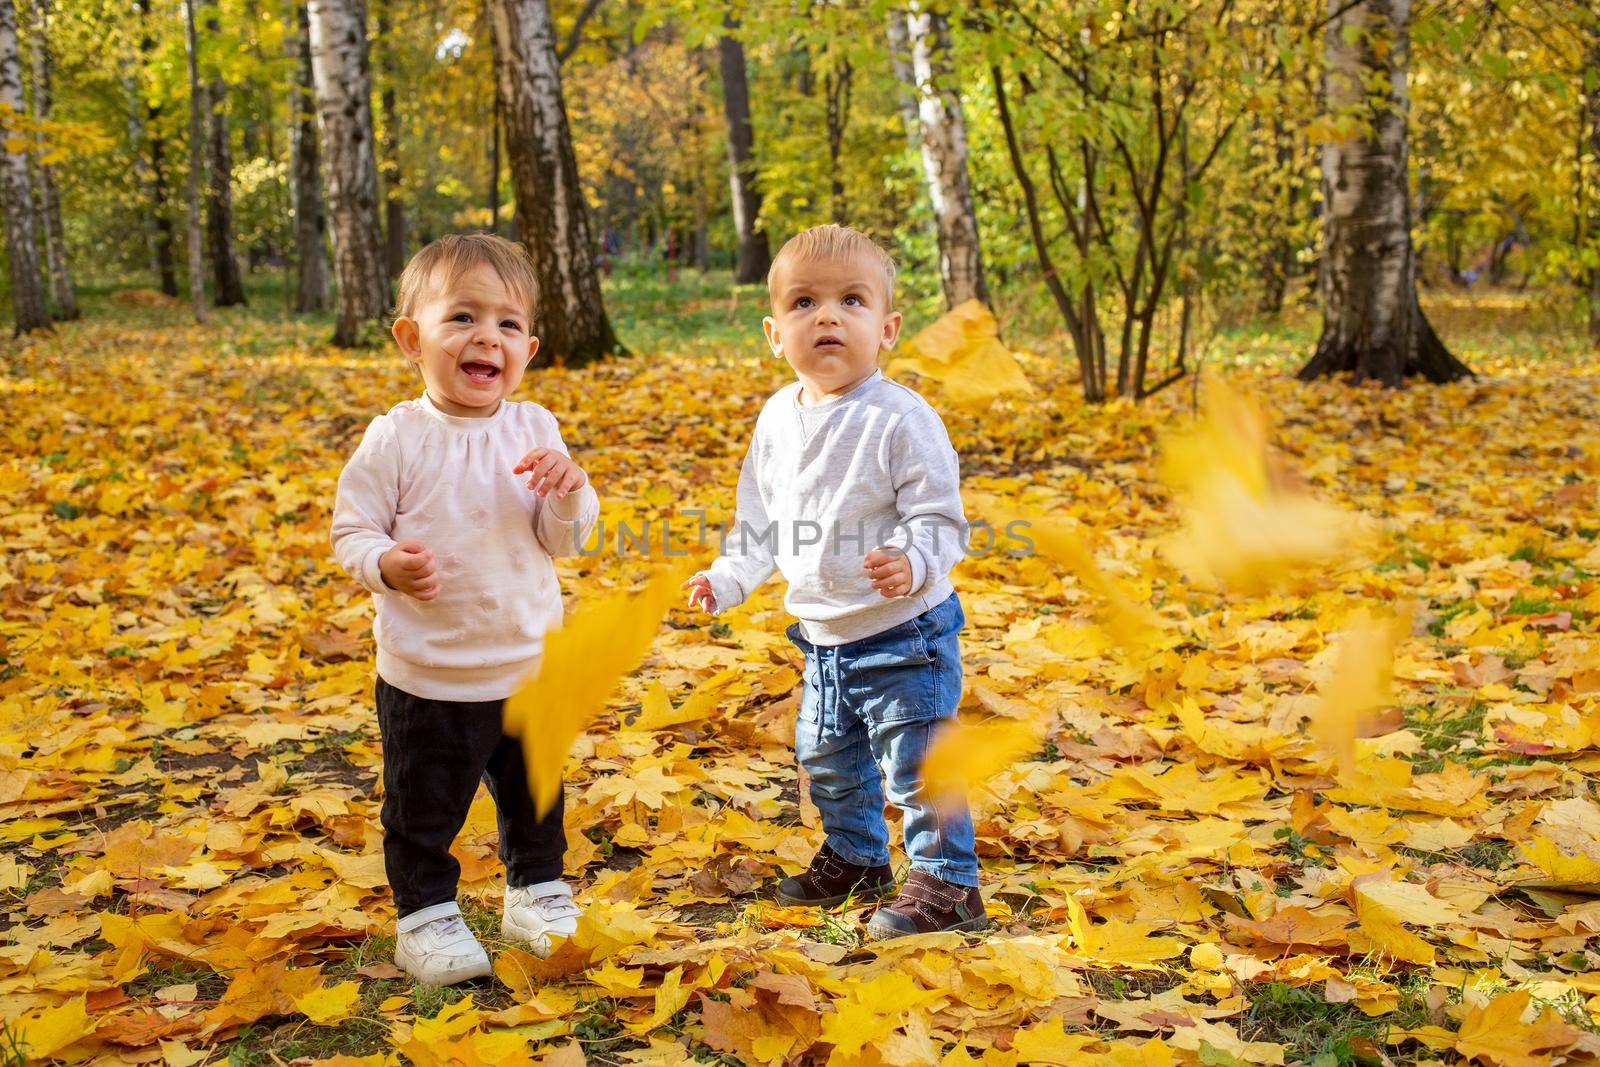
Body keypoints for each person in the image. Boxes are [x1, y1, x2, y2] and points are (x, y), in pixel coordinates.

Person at [683, 224, 987, 939]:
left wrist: (913, 557)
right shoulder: (776, 421)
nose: (827, 316)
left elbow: (942, 519)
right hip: (822, 637)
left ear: (885, 329)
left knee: (916, 763)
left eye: (850, 301)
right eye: (804, 302)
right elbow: (759, 522)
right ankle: (857, 856)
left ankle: (949, 883)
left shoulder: (900, 419)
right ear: (773, 332)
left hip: (904, 632)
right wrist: (729, 578)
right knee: (828, 758)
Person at [330, 233, 599, 984]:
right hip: (431, 673)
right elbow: (350, 530)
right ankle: (424, 914)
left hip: (528, 662)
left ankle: (536, 890)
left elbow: (564, 540)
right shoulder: (398, 438)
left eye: (508, 324)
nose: (488, 337)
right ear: (412, 339)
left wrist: (570, 490)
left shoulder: (534, 429)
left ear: (530, 347)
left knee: (535, 795)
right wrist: (384, 563)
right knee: (424, 805)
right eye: (463, 318)